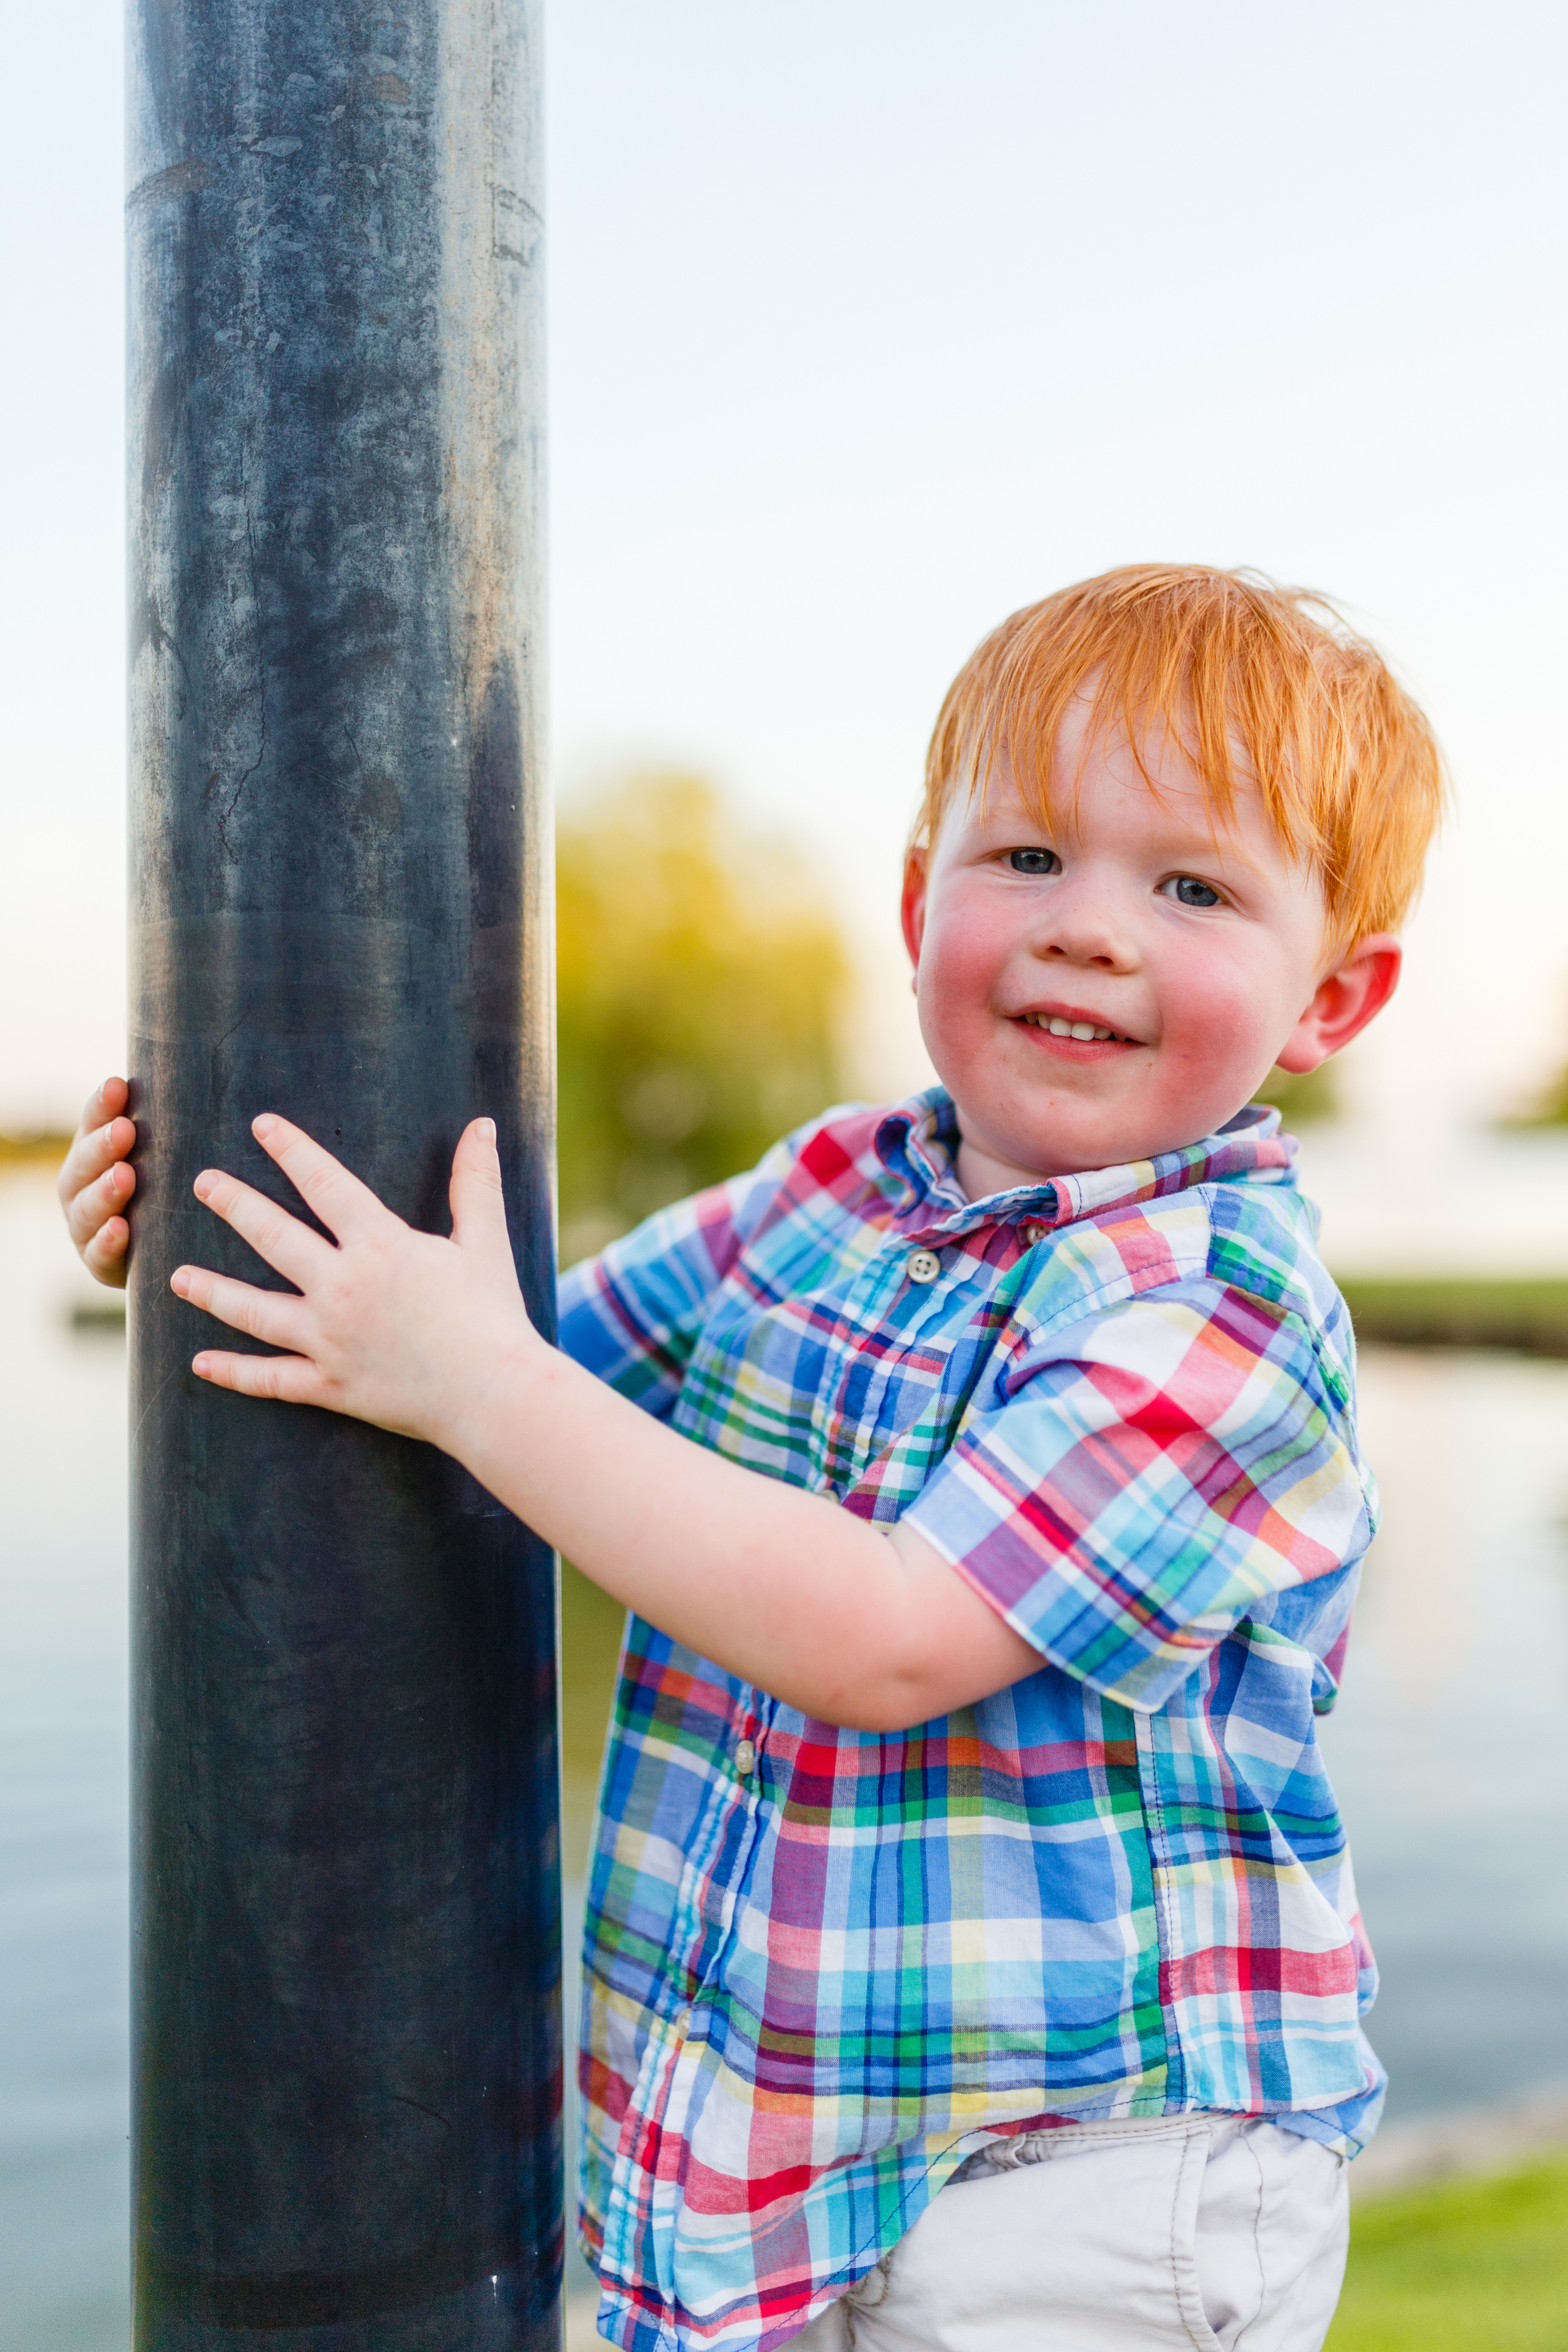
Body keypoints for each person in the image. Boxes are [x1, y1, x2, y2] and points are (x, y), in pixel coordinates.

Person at [61, 566, 1444, 2352]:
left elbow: (887, 1635)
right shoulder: (823, 1193)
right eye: (1023, 857)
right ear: (913, 899)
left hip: (1081, 2187)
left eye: (1189, 887)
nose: (1085, 927)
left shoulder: (1223, 1314)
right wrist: (226, 1245)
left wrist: (471, 1375)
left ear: (1333, 999)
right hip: (760, 2146)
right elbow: (507, 1377)